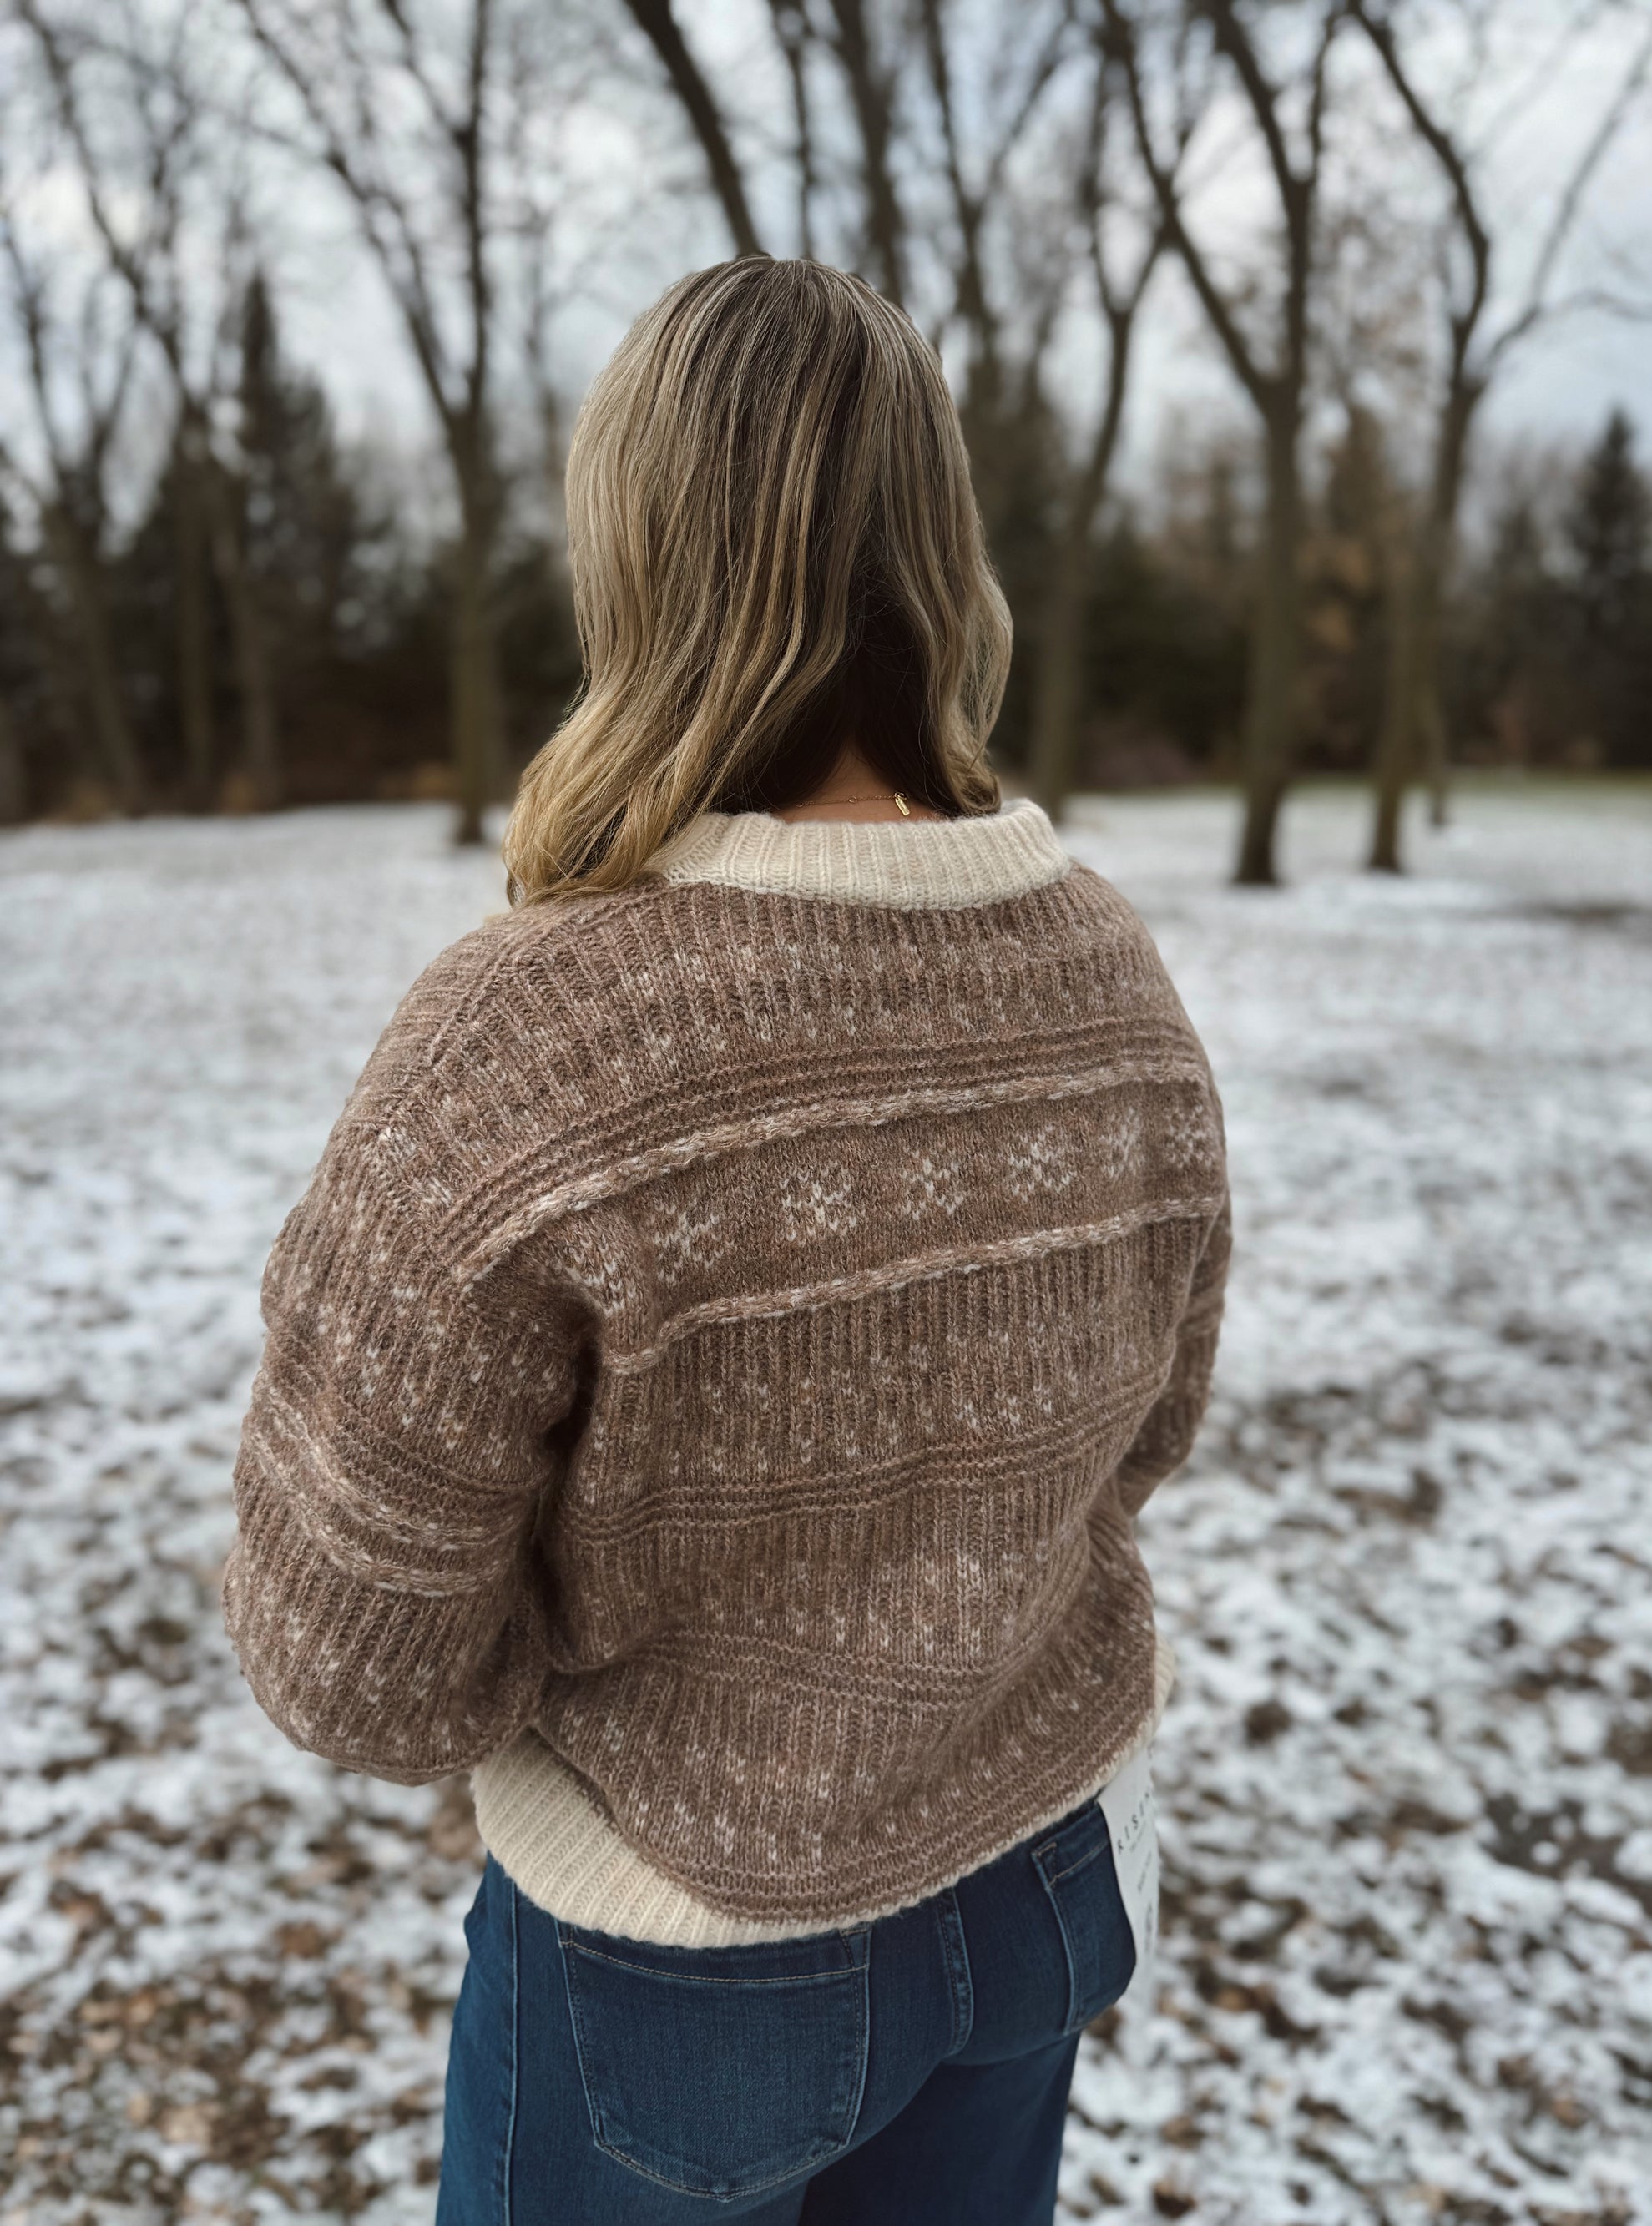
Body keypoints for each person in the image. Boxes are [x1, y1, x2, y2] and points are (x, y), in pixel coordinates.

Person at [222, 256, 1231, 2225]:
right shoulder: (1102, 968)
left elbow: (351, 1654)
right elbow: (1146, 1423)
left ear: (640, 554)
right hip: (1042, 1874)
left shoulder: (537, 1030)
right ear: (940, 551)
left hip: (681, 1959)